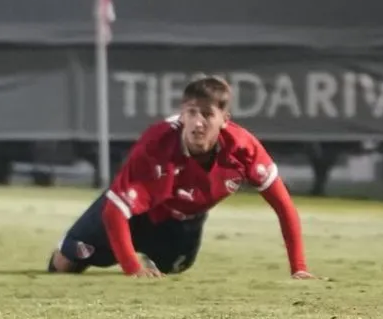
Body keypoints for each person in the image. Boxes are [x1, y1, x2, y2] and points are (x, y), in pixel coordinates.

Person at [48, 76, 315, 278]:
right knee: (65, 263)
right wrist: (132, 268)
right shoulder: (157, 143)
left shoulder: (244, 150)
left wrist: (299, 267)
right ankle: (78, 249)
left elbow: (284, 207)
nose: (197, 123)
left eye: (208, 115)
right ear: (183, 113)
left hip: (183, 222)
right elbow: (115, 212)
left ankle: (151, 256)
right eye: (191, 113)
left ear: (225, 119)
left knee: (176, 268)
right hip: (136, 215)